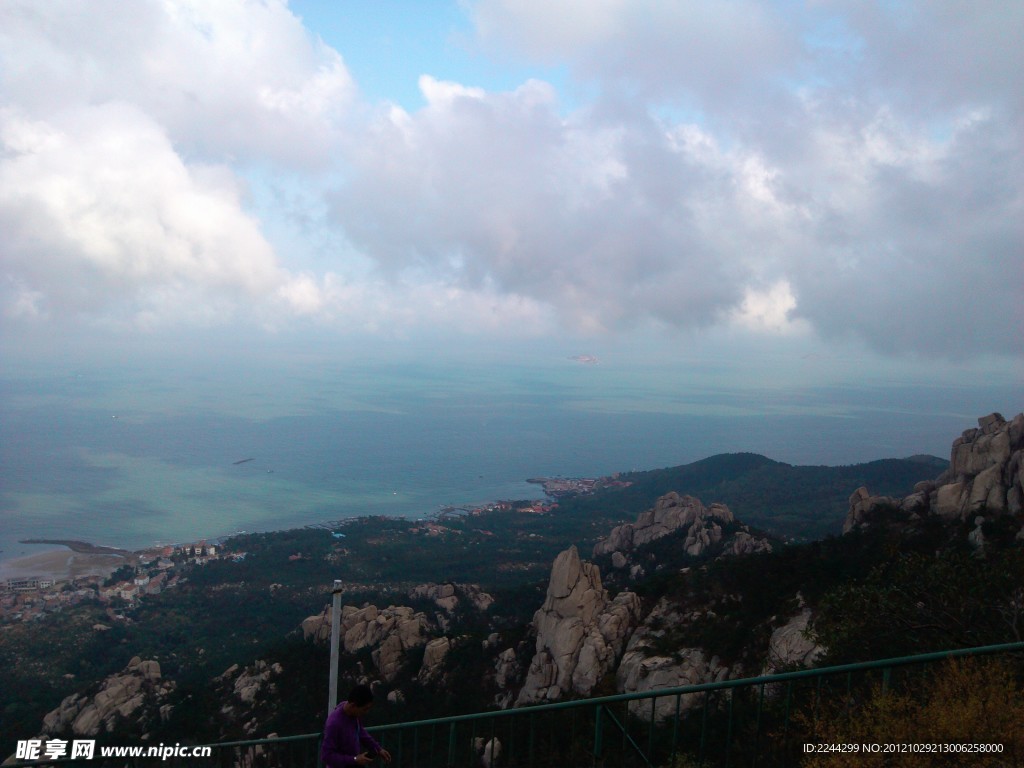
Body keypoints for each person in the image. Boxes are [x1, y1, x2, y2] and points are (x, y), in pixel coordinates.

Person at [321, 685, 393, 766]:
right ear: (353, 705)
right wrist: (354, 759)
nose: (366, 712)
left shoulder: (353, 714)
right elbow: (326, 756)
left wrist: (377, 749)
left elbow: (360, 732)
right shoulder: (334, 723)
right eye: (364, 709)